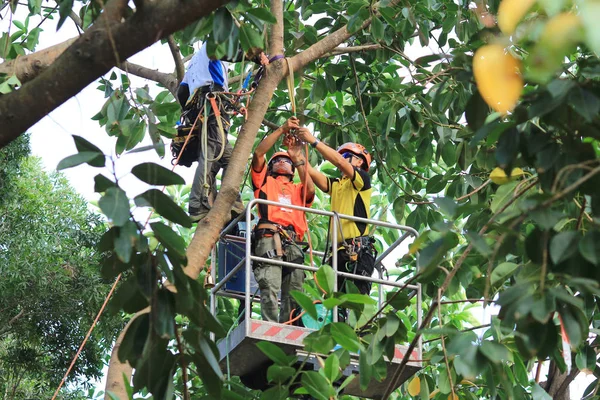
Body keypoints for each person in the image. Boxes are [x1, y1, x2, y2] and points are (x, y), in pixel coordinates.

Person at [175, 42, 270, 222]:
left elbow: (182, 92)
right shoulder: (212, 47)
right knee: (212, 153)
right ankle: (197, 204)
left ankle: (233, 203)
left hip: (204, 105)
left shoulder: (195, 61)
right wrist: (257, 56)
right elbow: (222, 49)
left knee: (230, 159)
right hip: (212, 104)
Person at [295, 128, 376, 299]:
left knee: (356, 304)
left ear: (359, 162)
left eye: (348, 157)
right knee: (333, 304)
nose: (343, 161)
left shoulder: (362, 181)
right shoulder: (339, 185)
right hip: (339, 253)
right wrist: (297, 157)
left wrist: (313, 141)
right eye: (344, 157)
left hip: (357, 252)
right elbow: (318, 177)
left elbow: (339, 161)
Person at [251, 117, 315, 323]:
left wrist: (296, 156)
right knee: (270, 282)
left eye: (286, 161)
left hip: (294, 241)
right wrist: (282, 129)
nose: (281, 162)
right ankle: (269, 325)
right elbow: (259, 153)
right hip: (270, 236)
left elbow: (311, 189)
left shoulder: (298, 188)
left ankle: (288, 325)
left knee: (295, 290)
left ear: (293, 169)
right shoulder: (264, 182)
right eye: (276, 160)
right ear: (269, 168)